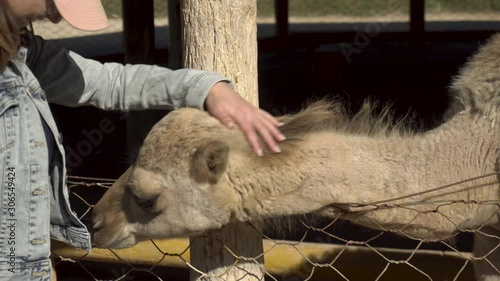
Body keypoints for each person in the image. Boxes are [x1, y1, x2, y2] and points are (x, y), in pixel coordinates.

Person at [0, 0, 285, 280]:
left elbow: (110, 83)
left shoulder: (24, 55)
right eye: (53, 5)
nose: (56, 19)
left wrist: (208, 89)